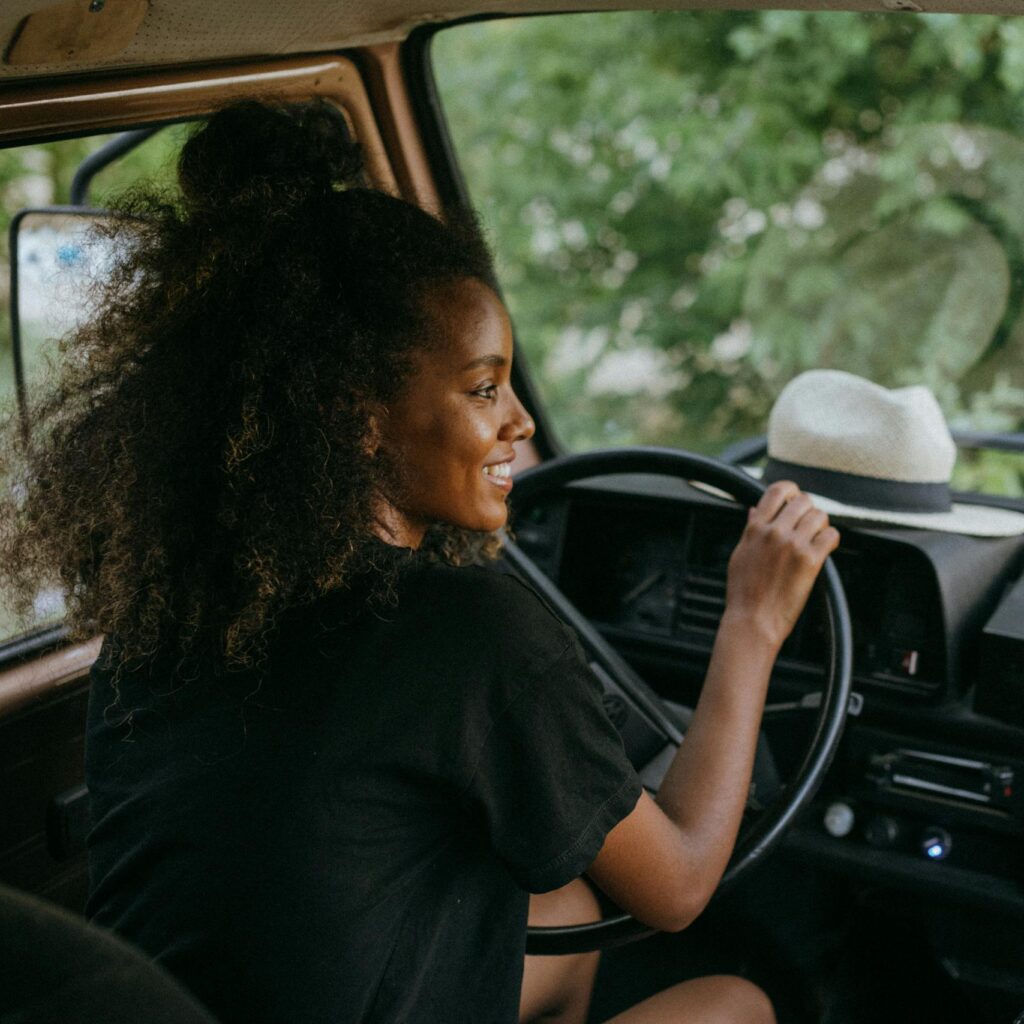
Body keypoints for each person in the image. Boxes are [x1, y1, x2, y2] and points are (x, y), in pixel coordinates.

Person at [0, 99, 839, 1023]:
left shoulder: (164, 624)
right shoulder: (469, 632)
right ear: (357, 415)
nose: (520, 420)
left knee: (566, 912)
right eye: (483, 388)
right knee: (736, 1004)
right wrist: (752, 624)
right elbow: (678, 886)